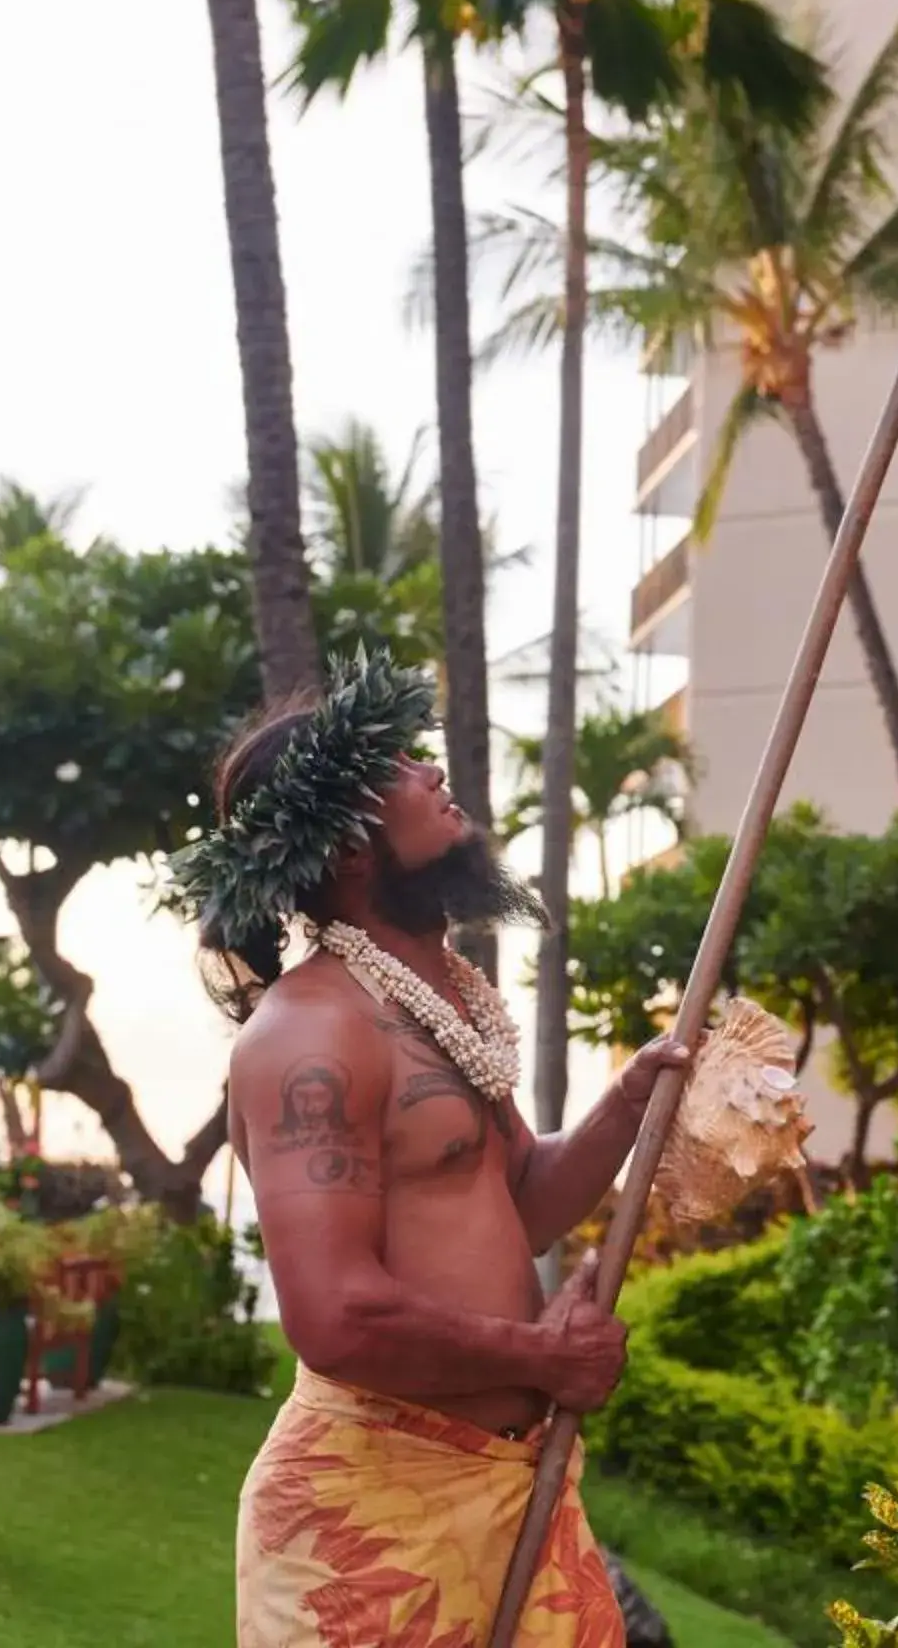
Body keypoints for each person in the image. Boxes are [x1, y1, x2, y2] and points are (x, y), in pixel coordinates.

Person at [172, 654, 691, 1648]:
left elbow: (520, 1198)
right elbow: (334, 1314)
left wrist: (630, 1099)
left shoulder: (441, 996)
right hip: (368, 1519)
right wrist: (541, 1353)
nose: (432, 772)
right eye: (399, 766)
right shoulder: (310, 1033)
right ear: (349, 844)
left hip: (505, 1485)